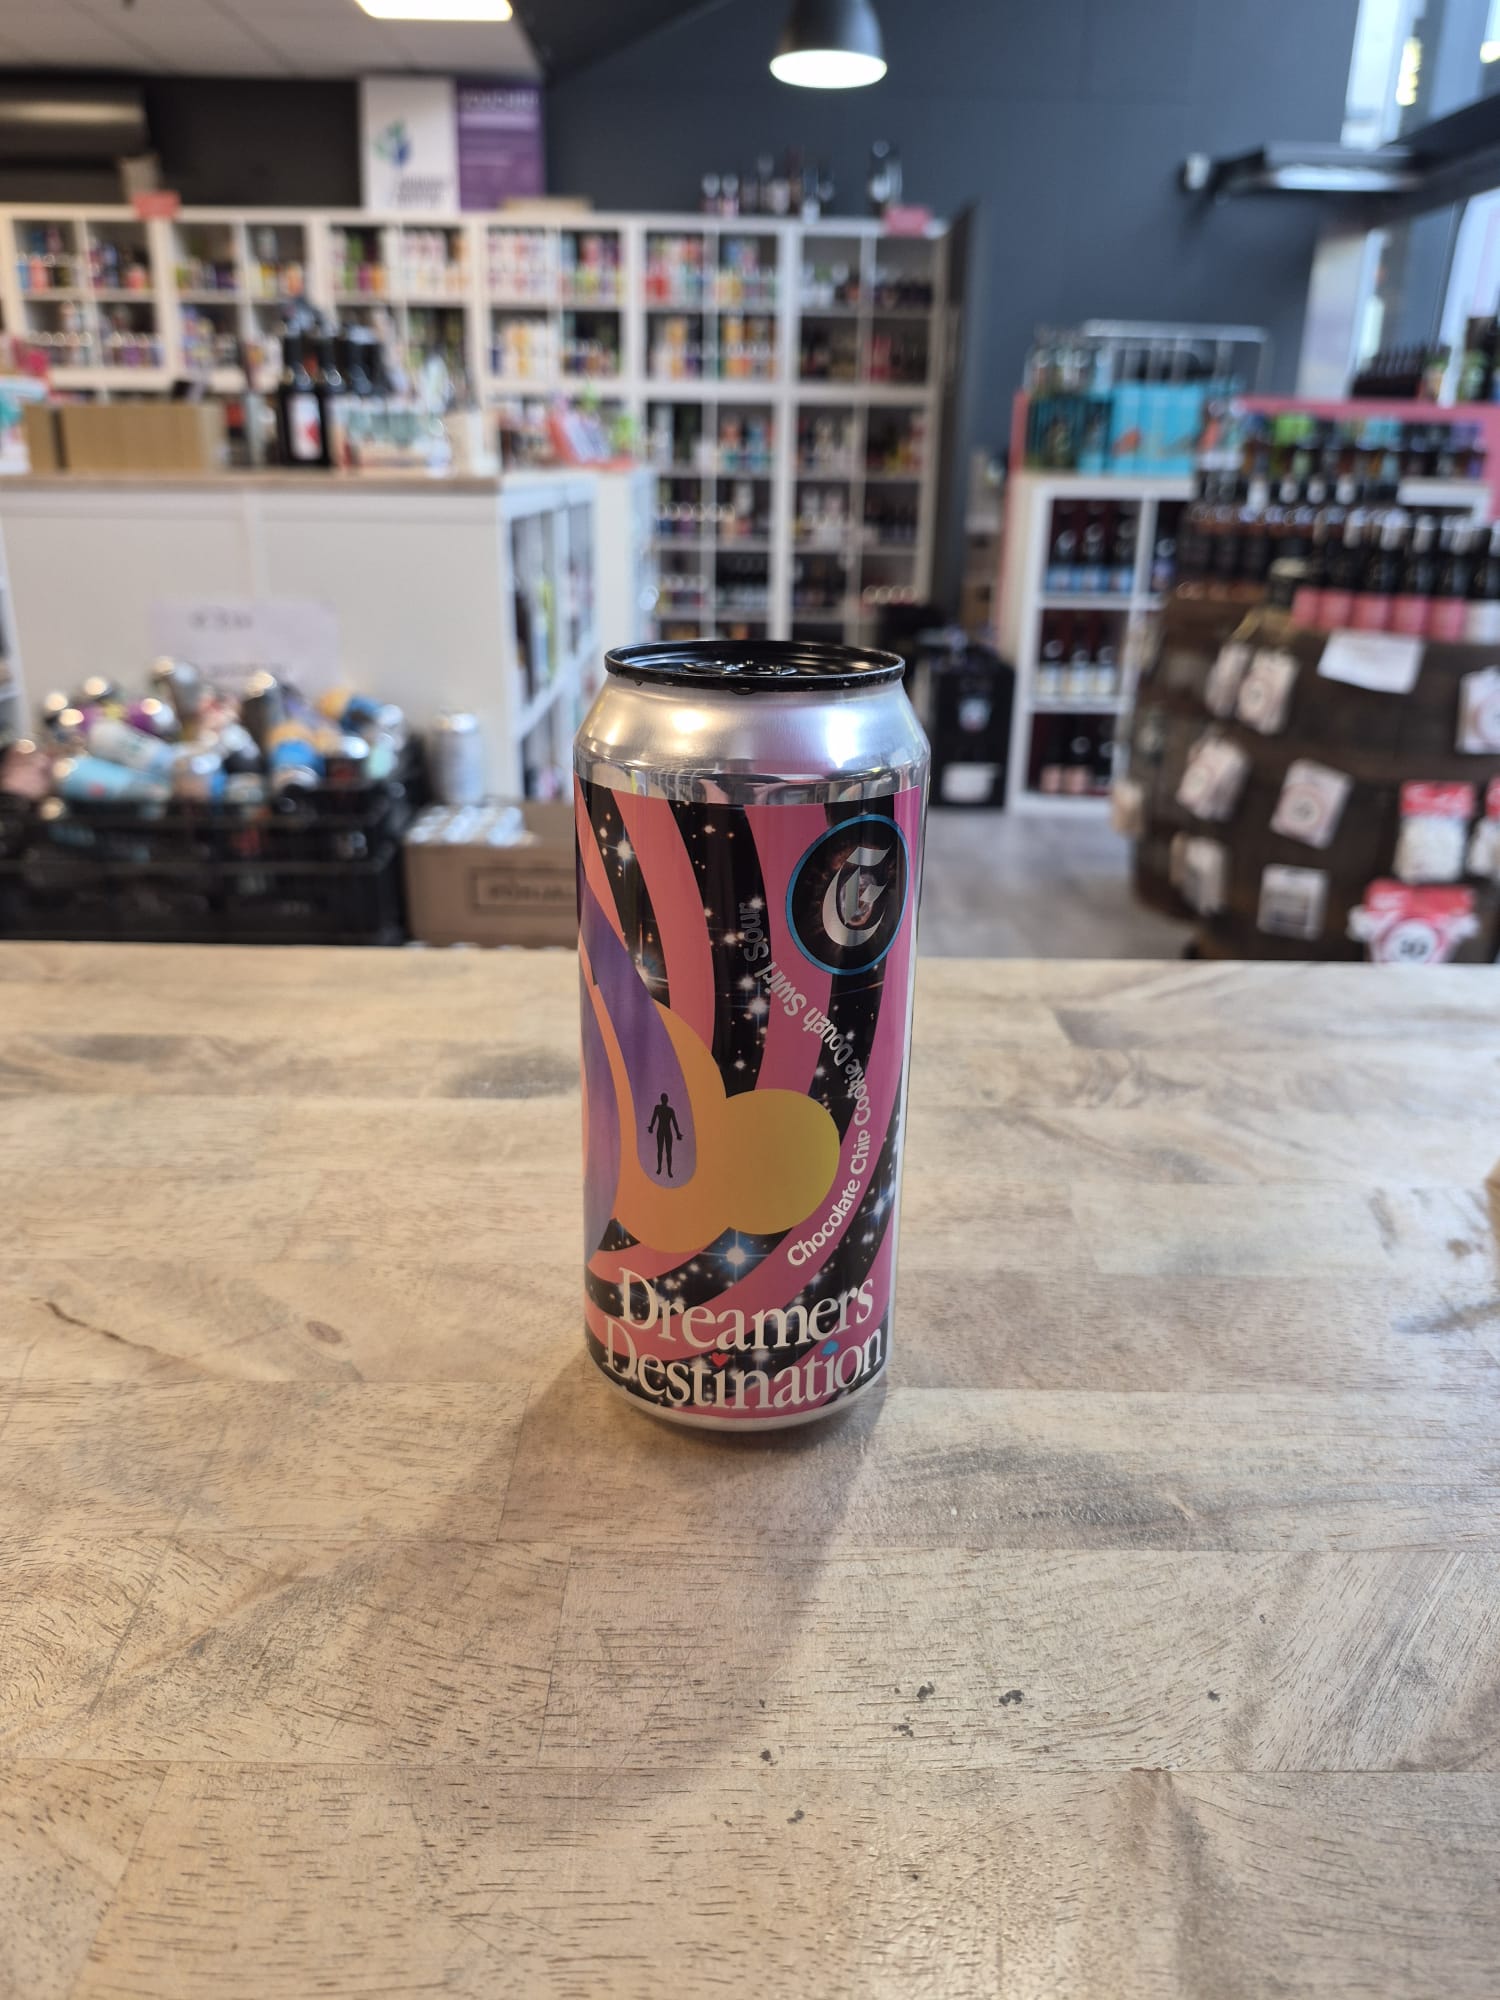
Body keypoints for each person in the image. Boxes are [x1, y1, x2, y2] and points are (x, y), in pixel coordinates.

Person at [646, 1091, 682, 1178]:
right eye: (664, 1098)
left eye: (665, 1098)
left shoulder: (670, 1110)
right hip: (661, 1131)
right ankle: (660, 1168)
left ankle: (668, 1170)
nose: (665, 1100)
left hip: (666, 1131)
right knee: (660, 1151)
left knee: (668, 1152)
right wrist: (651, 1127)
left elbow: (674, 1122)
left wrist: (678, 1133)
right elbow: (654, 1118)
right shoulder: (658, 1108)